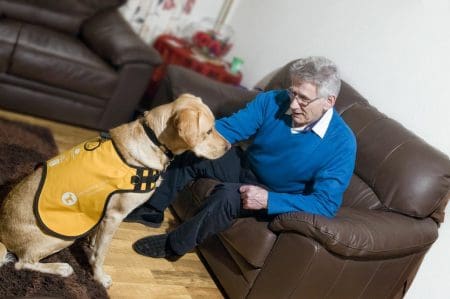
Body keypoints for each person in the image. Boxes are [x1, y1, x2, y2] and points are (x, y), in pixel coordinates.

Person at [127, 56, 357, 259]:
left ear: (329, 101)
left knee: (227, 196)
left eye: (304, 99)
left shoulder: (342, 143)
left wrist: (270, 200)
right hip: (247, 165)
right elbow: (229, 129)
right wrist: (183, 136)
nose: (294, 104)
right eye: (292, 93)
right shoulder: (273, 100)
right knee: (196, 152)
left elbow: (325, 204)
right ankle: (151, 210)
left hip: (277, 192)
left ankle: (174, 246)